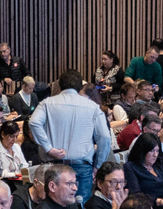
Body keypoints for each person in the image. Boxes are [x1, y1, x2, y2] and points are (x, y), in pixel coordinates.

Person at [29, 70, 116, 202]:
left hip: (53, 165)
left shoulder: (47, 103)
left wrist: (49, 148)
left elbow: (34, 122)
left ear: (59, 86)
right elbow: (104, 137)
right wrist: (98, 166)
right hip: (82, 166)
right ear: (80, 86)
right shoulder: (93, 106)